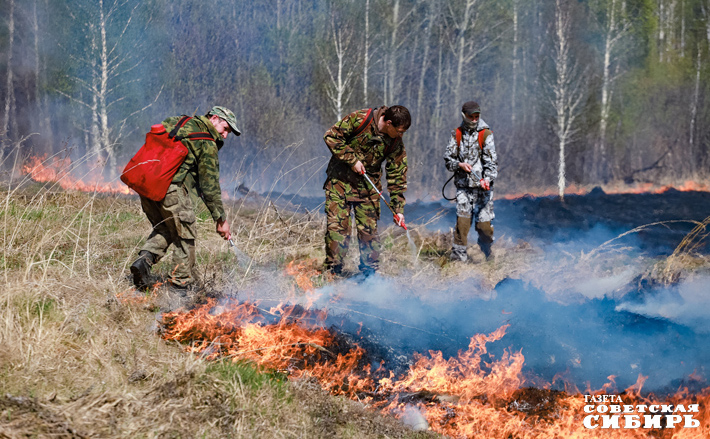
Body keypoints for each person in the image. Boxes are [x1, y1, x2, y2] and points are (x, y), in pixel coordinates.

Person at [130, 106, 241, 291]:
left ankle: (143, 262)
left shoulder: (178, 121)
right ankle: (179, 289)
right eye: (225, 128)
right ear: (214, 118)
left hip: (146, 184)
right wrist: (221, 220)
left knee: (166, 227)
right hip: (172, 189)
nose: (225, 135)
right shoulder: (207, 142)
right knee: (185, 237)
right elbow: (210, 186)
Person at [323, 105, 410, 277]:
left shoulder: (395, 142)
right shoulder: (360, 119)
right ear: (389, 123)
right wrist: (352, 160)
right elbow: (331, 136)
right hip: (339, 184)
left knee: (369, 235)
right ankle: (333, 274)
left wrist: (398, 210)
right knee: (338, 233)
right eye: (399, 131)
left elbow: (397, 175)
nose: (401, 136)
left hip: (368, 190)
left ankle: (370, 277)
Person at [443, 101, 498, 262]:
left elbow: (492, 163)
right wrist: (459, 165)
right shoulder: (456, 134)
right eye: (471, 117)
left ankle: (487, 249)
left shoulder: (486, 134)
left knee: (484, 228)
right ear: (464, 116)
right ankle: (458, 260)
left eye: (476, 116)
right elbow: (448, 160)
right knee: (462, 224)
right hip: (463, 188)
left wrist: (487, 179)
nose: (474, 120)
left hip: (483, 190)